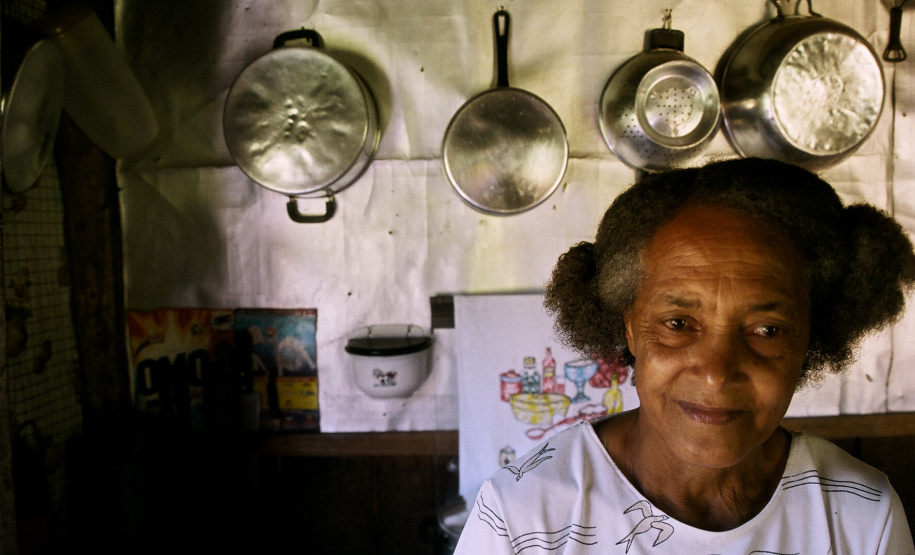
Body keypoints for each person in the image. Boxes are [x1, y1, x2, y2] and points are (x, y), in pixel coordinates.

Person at [453, 157, 915, 553]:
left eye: (766, 330)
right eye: (678, 324)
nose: (715, 373)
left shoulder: (861, 519)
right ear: (630, 326)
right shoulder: (522, 517)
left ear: (810, 338)